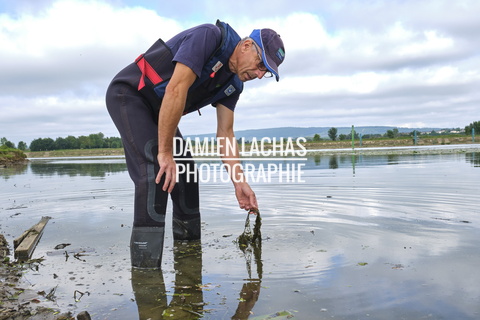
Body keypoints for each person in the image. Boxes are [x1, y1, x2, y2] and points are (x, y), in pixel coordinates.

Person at [105, 20, 285, 269]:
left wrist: (239, 182)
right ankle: (146, 276)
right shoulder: (209, 37)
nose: (259, 74)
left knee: (187, 176)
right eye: (260, 65)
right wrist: (165, 153)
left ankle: (188, 265)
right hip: (130, 95)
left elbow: (226, 133)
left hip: (160, 111)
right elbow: (175, 90)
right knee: (155, 172)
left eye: (266, 72)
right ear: (246, 46)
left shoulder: (234, 85)